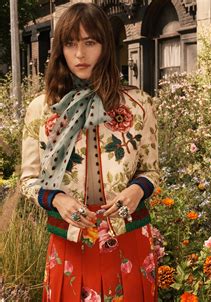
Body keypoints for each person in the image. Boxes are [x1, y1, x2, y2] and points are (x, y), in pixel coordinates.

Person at [20, 3, 162, 301]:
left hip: (128, 235)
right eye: (71, 43)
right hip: (69, 239)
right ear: (60, 49)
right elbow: (29, 179)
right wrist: (57, 199)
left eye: (89, 42)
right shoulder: (41, 109)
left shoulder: (138, 105)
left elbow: (151, 170)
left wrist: (136, 192)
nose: (80, 54)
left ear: (105, 46)